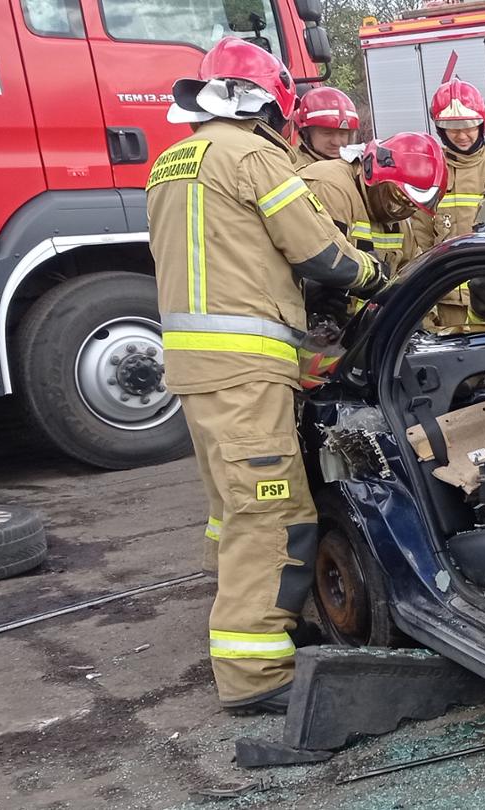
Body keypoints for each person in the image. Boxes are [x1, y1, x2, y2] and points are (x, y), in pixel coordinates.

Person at [148, 38, 383, 713]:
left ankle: (253, 633)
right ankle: (256, 676)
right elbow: (316, 251)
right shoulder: (252, 154)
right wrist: (375, 274)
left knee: (230, 509)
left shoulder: (173, 159)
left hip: (197, 368)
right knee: (271, 513)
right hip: (246, 367)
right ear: (272, 105)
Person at [410, 79, 485, 326]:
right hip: (446, 300)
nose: (462, 135)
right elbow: (418, 240)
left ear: (482, 124)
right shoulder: (430, 171)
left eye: (469, 126)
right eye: (452, 128)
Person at [299, 133, 446, 280]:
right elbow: (325, 262)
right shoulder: (330, 187)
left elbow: (414, 275)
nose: (398, 211)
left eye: (410, 206)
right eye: (397, 197)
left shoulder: (399, 223)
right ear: (372, 172)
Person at [290, 86, 359, 169]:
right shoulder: (292, 168)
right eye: (327, 133)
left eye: (342, 134)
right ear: (305, 134)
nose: (336, 142)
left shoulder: (355, 167)